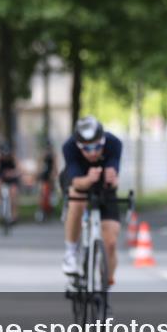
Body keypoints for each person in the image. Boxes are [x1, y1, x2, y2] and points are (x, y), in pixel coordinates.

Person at [59, 116, 123, 284]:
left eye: (97, 147)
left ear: (103, 141)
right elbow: (76, 181)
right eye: (86, 149)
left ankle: (106, 284)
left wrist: (112, 177)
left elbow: (114, 173)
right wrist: (87, 179)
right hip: (78, 180)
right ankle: (70, 253)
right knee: (78, 197)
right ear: (78, 145)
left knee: (110, 243)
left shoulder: (114, 143)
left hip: (103, 185)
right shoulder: (69, 147)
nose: (93, 152)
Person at [0, 141, 19, 222]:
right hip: (2, 177)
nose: (6, 156)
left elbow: (19, 169)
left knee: (13, 194)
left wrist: (13, 173)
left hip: (12, 178)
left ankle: (14, 216)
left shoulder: (13, 157)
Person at [36, 140, 56, 221]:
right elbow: (39, 166)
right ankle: (41, 209)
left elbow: (55, 166)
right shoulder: (41, 155)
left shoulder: (53, 156)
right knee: (42, 193)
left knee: (50, 193)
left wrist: (53, 175)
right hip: (43, 176)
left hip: (49, 176)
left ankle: (50, 208)